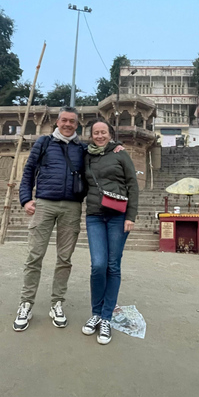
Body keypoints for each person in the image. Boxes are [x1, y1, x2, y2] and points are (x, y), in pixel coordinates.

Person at [13, 107, 124, 332]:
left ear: (77, 124)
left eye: (72, 121)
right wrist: (25, 199)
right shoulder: (43, 143)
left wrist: (117, 148)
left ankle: (57, 303)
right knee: (34, 256)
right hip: (44, 203)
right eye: (64, 120)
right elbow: (28, 172)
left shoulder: (83, 149)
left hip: (72, 207)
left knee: (64, 258)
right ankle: (26, 303)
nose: (67, 124)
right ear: (57, 121)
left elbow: (103, 151)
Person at [80, 120, 139, 345]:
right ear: (92, 135)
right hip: (94, 215)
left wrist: (131, 216)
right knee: (97, 265)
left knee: (113, 265)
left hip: (118, 216)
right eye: (96, 133)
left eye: (103, 132)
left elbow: (132, 184)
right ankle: (96, 313)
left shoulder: (120, 153)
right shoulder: (87, 155)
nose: (100, 136)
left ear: (110, 134)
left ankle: (106, 317)